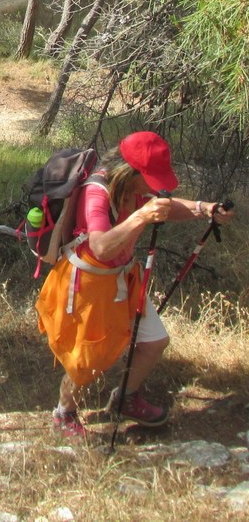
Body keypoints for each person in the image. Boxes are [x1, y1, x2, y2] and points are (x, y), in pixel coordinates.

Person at [36, 131, 235, 439]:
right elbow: (101, 246)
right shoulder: (96, 192)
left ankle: (125, 398)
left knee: (154, 341)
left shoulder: (135, 189)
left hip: (122, 279)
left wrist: (203, 208)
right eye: (152, 179)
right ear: (131, 172)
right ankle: (64, 413)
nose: (158, 187)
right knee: (87, 359)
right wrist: (141, 217)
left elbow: (167, 206)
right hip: (88, 284)